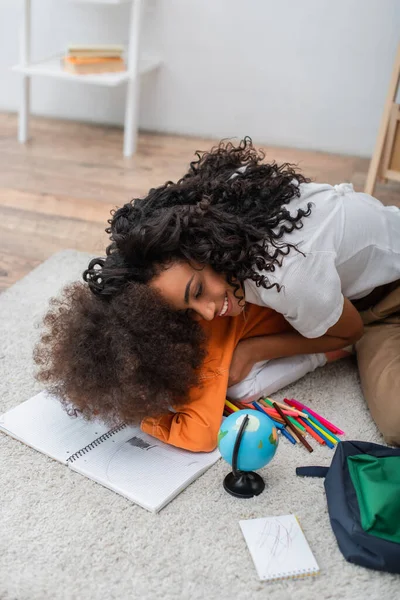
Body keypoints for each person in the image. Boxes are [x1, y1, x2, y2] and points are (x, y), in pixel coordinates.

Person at [34, 138, 400, 450]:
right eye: (188, 307)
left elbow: (350, 330)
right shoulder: (219, 217)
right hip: (342, 295)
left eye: (197, 291)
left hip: (385, 299)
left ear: (206, 245)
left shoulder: (288, 270)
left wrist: (254, 349)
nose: (209, 313)